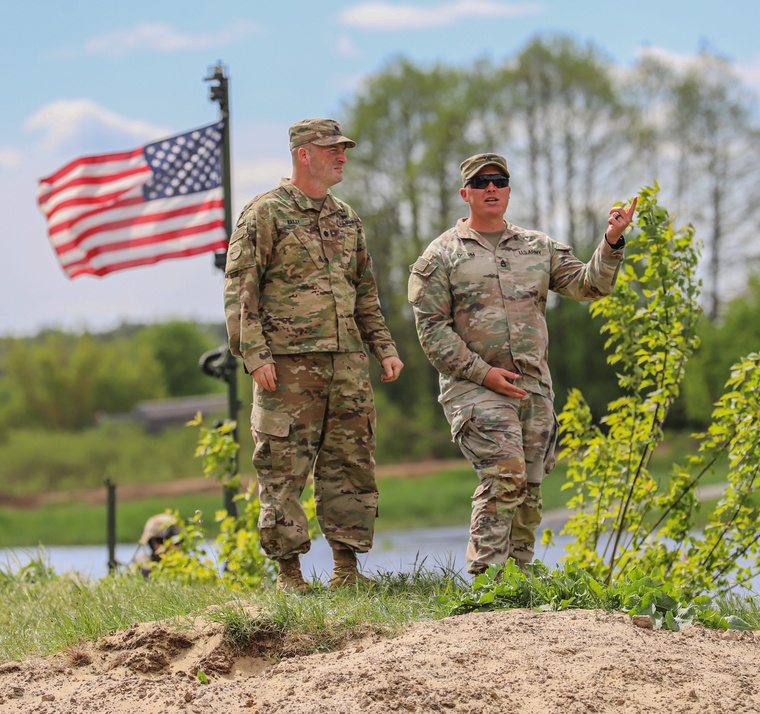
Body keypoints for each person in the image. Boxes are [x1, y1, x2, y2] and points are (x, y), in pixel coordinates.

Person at [407, 152, 636, 574]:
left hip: (533, 388)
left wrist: (612, 242)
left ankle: (519, 583)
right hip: (473, 386)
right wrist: (483, 373)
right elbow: (432, 331)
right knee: (505, 474)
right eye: (480, 183)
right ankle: (487, 583)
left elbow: (590, 286)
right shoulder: (441, 255)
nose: (490, 188)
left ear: (509, 190)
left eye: (499, 180)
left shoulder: (538, 246)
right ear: (465, 194)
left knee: (528, 488)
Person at [224, 118, 404, 593]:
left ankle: (346, 572)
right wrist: (255, 354)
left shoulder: (346, 217)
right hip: (285, 371)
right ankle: (290, 577)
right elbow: (242, 291)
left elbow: (364, 291)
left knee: (351, 465)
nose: (342, 156)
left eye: (343, 149)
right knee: (282, 468)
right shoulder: (266, 213)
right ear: (303, 154)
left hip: (347, 366)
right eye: (332, 150)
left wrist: (383, 347)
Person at [132, 513, 181, 578]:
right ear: (152, 543)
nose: (173, 546)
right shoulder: (141, 566)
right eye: (161, 541)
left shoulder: (187, 565)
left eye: (177, 542)